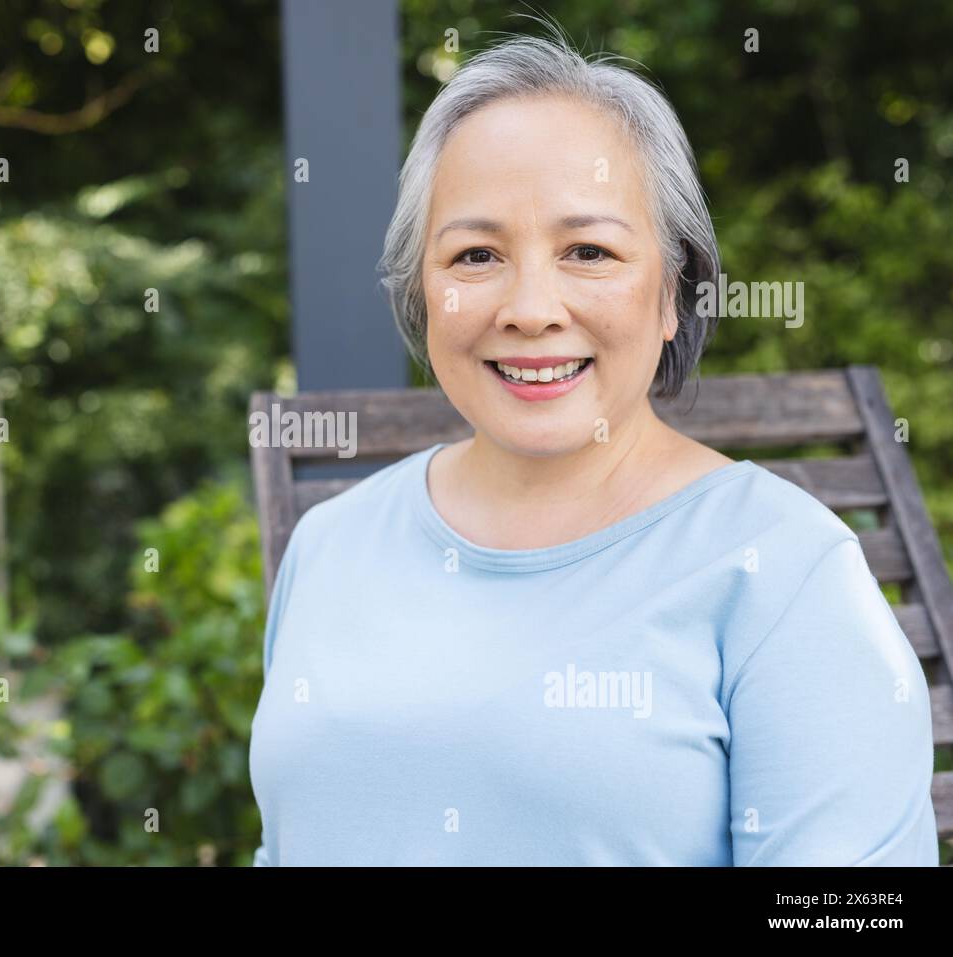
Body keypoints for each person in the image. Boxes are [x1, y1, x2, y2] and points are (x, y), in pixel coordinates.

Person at [247, 27, 939, 866]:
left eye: (588, 250)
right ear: (423, 291)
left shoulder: (784, 572)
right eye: (476, 253)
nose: (530, 307)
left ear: (674, 290)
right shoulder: (331, 543)